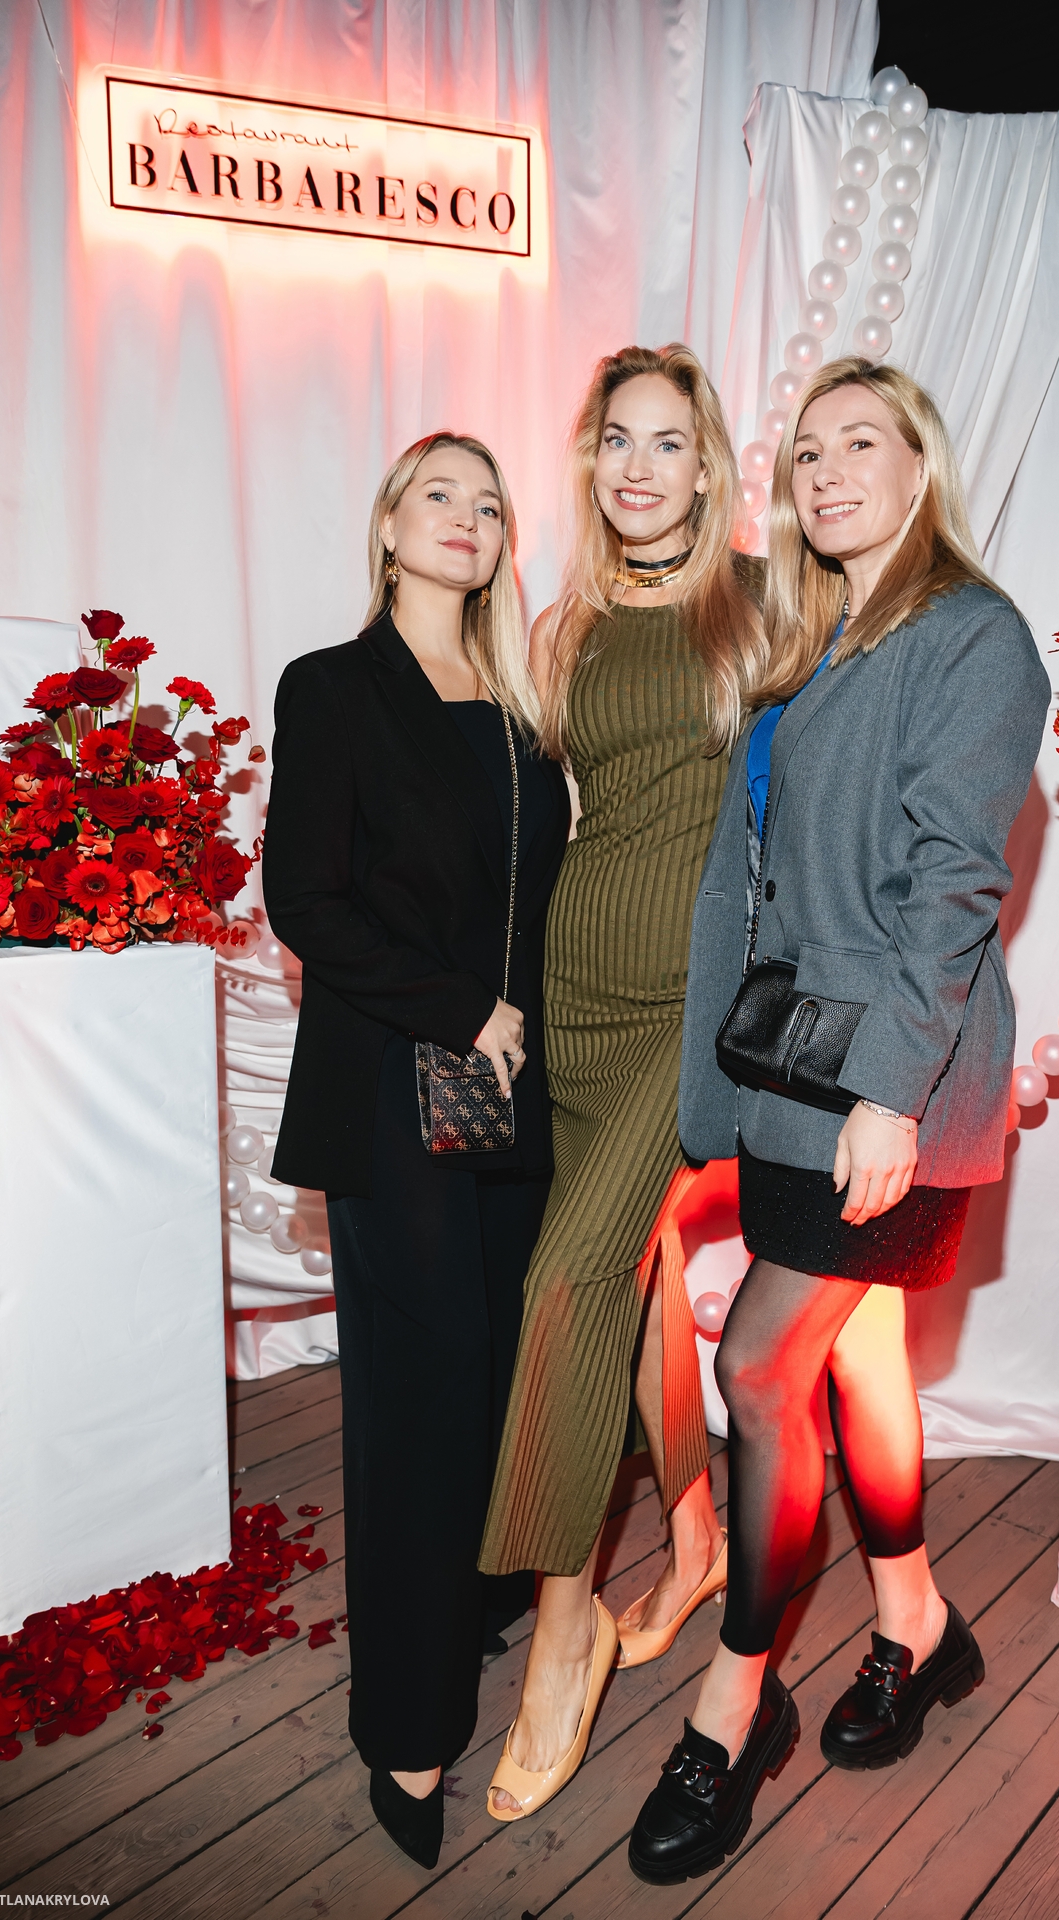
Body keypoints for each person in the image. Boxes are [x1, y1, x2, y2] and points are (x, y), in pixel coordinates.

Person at [627, 357, 1051, 1883]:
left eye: (861, 443)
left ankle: (736, 1709)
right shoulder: (813, 642)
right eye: (806, 452)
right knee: (858, 1354)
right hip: (790, 1070)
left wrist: (890, 1094)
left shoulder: (971, 635)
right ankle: (917, 1623)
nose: (827, 472)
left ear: (920, 465)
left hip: (889, 1082)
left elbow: (955, 885)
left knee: (757, 1368)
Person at [262, 433, 570, 1871]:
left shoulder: (518, 715)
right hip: (398, 1085)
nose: (467, 518)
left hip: (514, 1096)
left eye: (488, 504)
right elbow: (305, 898)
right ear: (390, 528)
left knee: (500, 1373)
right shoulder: (332, 687)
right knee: (421, 1395)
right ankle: (406, 1713)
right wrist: (465, 1011)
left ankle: (474, 1606)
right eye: (438, 495)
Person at [478, 344, 767, 1821]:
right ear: (590, 461)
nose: (640, 467)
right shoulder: (566, 625)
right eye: (617, 441)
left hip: (686, 1007)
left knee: (567, 1283)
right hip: (573, 994)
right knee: (637, 1283)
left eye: (669, 443)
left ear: (709, 468)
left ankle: (562, 1631)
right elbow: (542, 824)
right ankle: (697, 1536)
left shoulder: (762, 605)